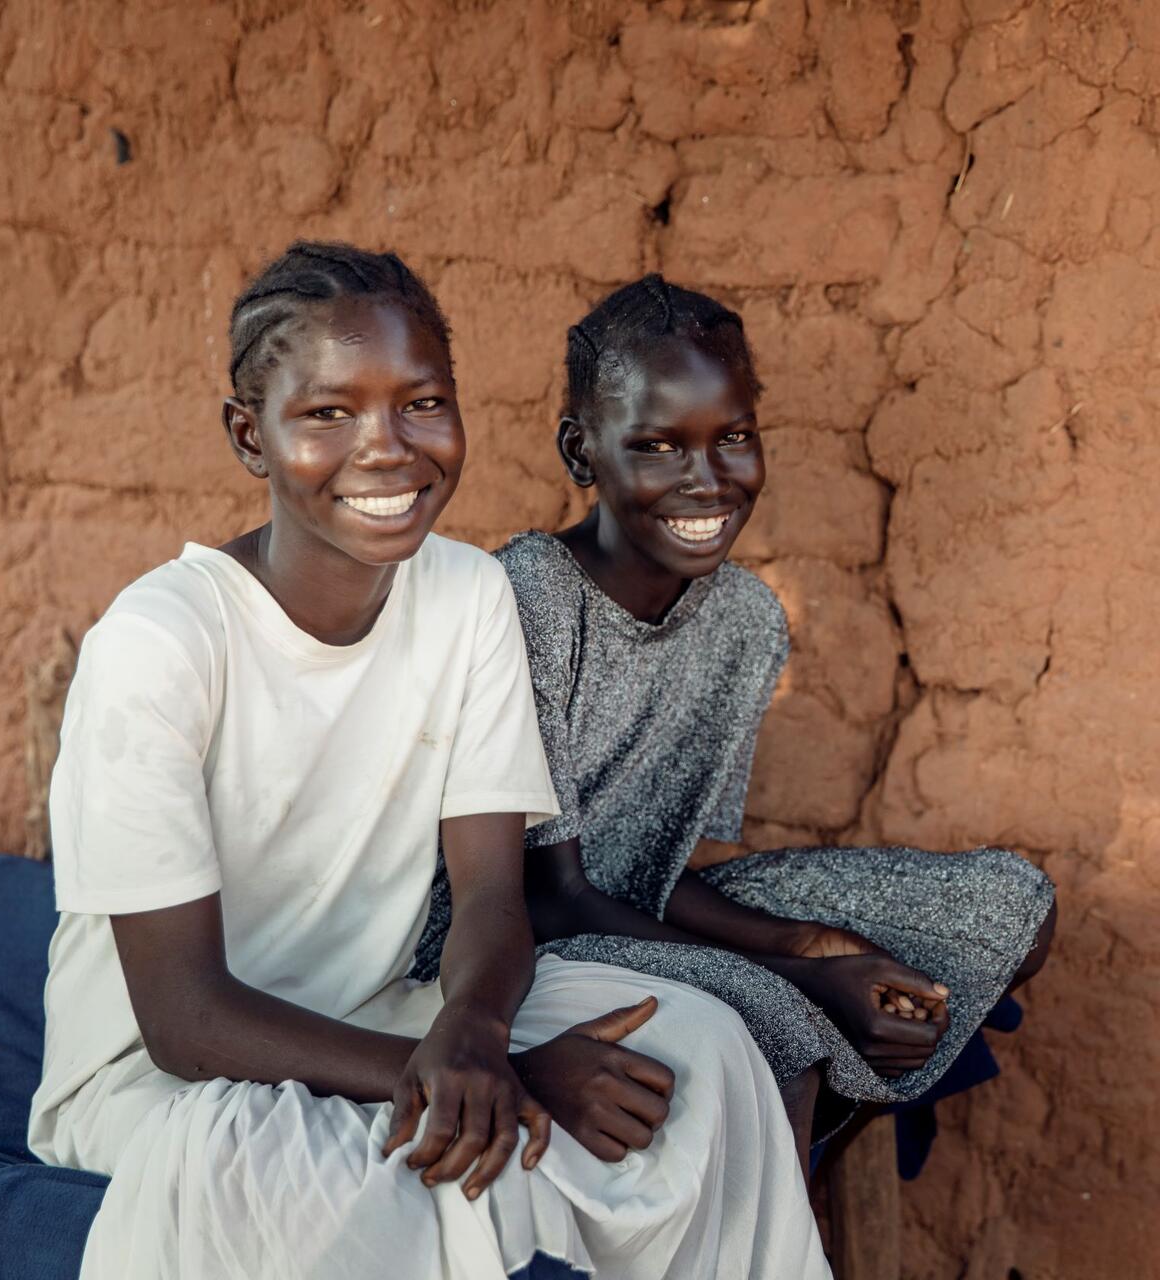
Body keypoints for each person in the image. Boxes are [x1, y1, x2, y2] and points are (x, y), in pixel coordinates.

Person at [28, 244, 829, 1280]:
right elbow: (183, 1018)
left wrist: (474, 1029)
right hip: (169, 1073)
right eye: (326, 414)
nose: (387, 448)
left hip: (382, 1013)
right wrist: (500, 1073)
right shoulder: (162, 643)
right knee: (287, 1172)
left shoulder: (462, 595)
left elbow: (493, 894)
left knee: (703, 1044)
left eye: (421, 403)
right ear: (249, 435)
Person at [414, 274, 1057, 1168]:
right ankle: (772, 1214)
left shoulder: (747, 620)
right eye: (658, 446)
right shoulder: (529, 597)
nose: (706, 479)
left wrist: (822, 944)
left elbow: (661, 867)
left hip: (630, 907)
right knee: (785, 1020)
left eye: (735, 439)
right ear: (580, 451)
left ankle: (804, 1139)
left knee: (1008, 910)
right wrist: (806, 978)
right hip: (502, 938)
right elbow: (550, 894)